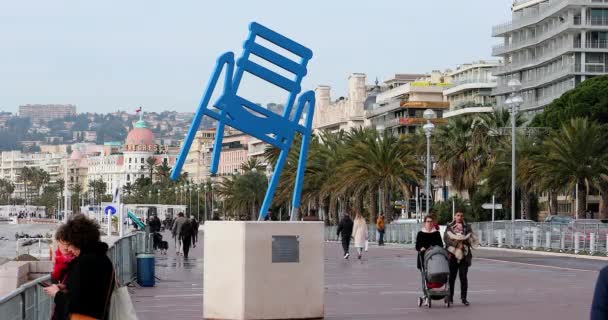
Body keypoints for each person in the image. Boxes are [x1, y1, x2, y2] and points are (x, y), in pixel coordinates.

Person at [43, 214, 115, 320]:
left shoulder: (84, 262)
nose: (69, 249)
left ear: (78, 241)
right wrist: (67, 287)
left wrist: (57, 294)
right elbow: (88, 291)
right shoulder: (102, 259)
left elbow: (78, 303)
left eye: (70, 244)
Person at [444, 211, 475, 306]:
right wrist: (458, 244)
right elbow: (446, 239)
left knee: (463, 278)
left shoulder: (467, 227)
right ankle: (450, 298)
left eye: (461, 215)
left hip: (464, 256)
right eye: (458, 215)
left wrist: (464, 241)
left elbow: (471, 239)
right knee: (451, 278)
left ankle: (464, 298)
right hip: (452, 256)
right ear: (454, 216)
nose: (460, 217)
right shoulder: (449, 227)